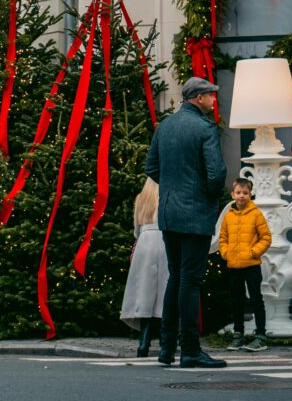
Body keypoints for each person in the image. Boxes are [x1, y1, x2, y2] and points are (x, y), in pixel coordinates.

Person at [146, 75, 227, 370]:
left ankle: (166, 348)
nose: (213, 100)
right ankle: (190, 349)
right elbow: (217, 175)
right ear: (198, 98)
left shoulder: (165, 126)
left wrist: (172, 187)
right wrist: (205, 195)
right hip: (195, 215)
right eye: (210, 95)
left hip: (168, 213)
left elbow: (151, 166)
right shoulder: (205, 128)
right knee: (190, 281)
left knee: (176, 278)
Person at [219, 177, 271, 352]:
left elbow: (266, 237)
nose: (241, 196)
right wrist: (226, 253)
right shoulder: (228, 216)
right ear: (233, 194)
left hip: (251, 265)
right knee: (236, 300)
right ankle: (238, 335)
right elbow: (223, 238)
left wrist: (253, 252)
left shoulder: (256, 214)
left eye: (245, 193)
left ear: (251, 194)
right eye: (238, 193)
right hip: (234, 265)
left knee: (256, 299)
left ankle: (261, 336)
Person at [120, 176, 169, 357]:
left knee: (144, 293)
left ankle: (144, 341)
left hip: (144, 242)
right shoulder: (166, 196)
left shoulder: (141, 199)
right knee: (165, 294)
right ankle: (165, 342)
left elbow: (136, 229)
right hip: (164, 240)